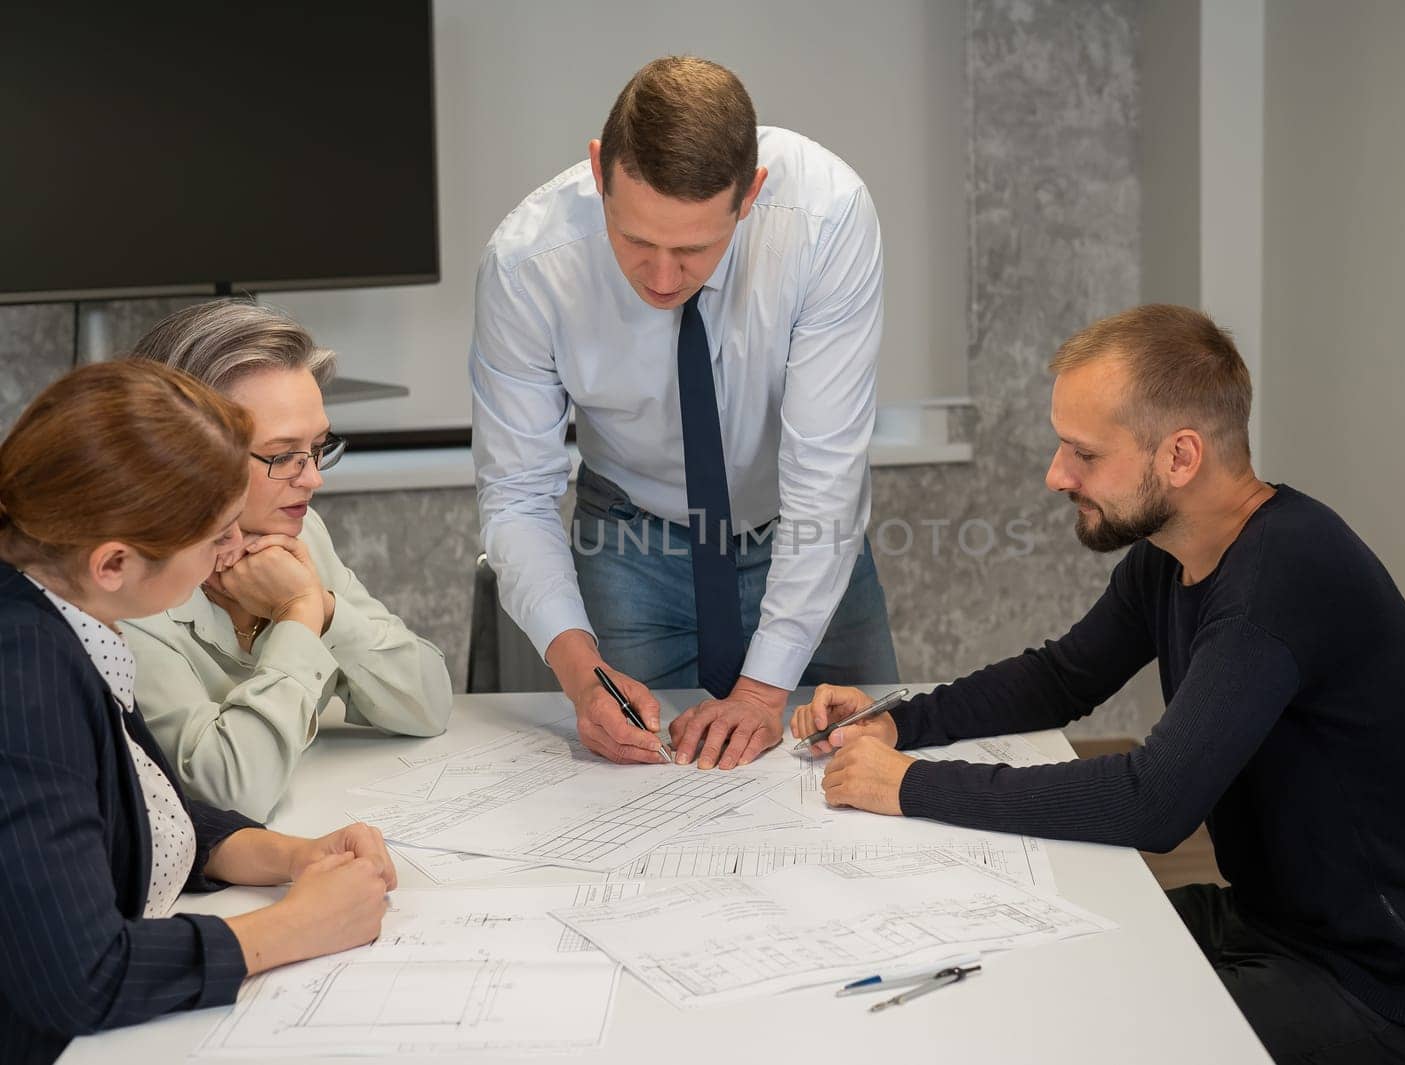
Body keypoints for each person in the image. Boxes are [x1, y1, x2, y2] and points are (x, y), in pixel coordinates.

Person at [791, 305, 1405, 1064]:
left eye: (1083, 452)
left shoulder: (1280, 579)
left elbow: (1153, 801)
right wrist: (899, 724)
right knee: (1018, 968)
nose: (1058, 474)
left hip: (1374, 990)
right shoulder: (1175, 551)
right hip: (1268, 925)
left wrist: (908, 785)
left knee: (1076, 1039)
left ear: (1180, 456)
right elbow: (1059, 678)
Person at [472, 55, 898, 771]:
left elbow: (825, 471)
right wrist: (583, 676)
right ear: (599, 168)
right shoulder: (526, 264)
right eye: (636, 241)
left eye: (695, 249)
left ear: (751, 193)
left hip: (805, 531)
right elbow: (516, 495)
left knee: (854, 771)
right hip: (634, 543)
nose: (663, 278)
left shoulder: (827, 216)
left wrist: (764, 694)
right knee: (641, 783)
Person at [0, 361, 395, 1065]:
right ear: (114, 563)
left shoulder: (64, 608)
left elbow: (140, 803)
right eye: (215, 535)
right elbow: (80, 975)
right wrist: (290, 927)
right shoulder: (24, 675)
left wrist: (290, 855)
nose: (235, 548)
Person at [124, 299, 452, 821]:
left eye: (319, 448)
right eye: (281, 456)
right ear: (179, 452)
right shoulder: (123, 585)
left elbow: (428, 704)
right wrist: (301, 615)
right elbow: (229, 792)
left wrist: (325, 606)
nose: (313, 479)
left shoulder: (295, 533)